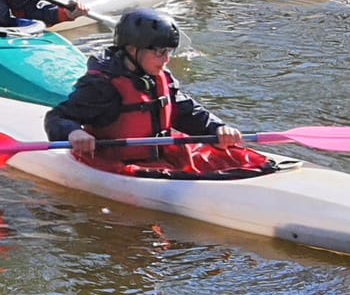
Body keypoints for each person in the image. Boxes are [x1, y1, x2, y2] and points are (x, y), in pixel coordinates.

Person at [42, 9, 273, 178]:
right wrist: (72, 133)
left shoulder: (159, 76)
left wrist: (217, 128)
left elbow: (186, 111)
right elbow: (57, 118)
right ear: (133, 50)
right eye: (160, 52)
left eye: (169, 51)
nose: (167, 59)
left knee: (248, 161)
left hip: (162, 157)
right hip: (117, 165)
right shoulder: (101, 85)